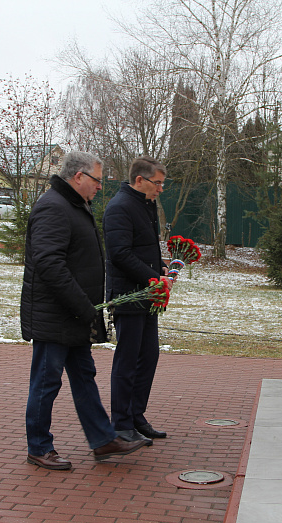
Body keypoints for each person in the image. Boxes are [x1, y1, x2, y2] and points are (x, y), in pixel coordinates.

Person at [20, 151, 147, 470]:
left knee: (84, 376)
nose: (100, 187)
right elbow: (49, 263)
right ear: (78, 176)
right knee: (47, 381)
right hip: (55, 316)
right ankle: (38, 447)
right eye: (97, 180)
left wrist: (84, 308)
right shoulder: (53, 206)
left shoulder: (74, 205)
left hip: (74, 316)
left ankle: (103, 440)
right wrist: (82, 304)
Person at [103, 156, 173, 445]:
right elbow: (120, 253)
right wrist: (152, 278)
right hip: (128, 295)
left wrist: (160, 269)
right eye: (157, 183)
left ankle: (136, 416)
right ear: (139, 180)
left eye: (162, 185)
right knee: (128, 360)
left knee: (149, 356)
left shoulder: (144, 205)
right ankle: (120, 424)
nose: (160, 189)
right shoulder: (120, 207)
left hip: (146, 295)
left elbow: (142, 248)